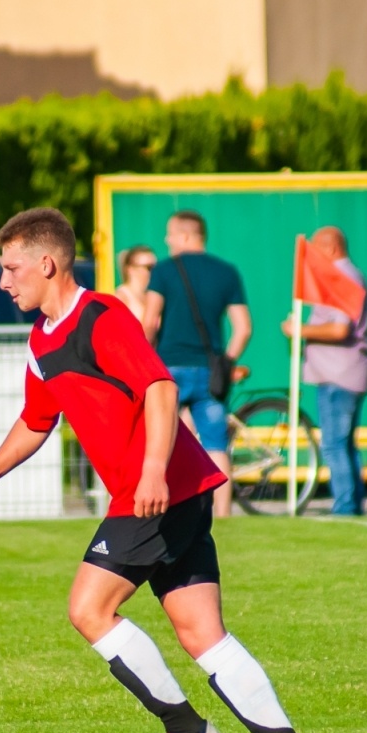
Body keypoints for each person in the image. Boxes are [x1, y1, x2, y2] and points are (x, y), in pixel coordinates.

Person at [0, 208, 323, 733]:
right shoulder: (41, 339)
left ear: (45, 263)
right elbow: (35, 419)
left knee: (89, 609)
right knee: (202, 632)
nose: (4, 281)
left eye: (11, 267)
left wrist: (152, 472)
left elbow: (160, 386)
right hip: (171, 491)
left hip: (156, 493)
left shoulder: (102, 316)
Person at [142, 211, 251, 518]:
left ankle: (173, 511)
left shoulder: (163, 271)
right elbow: (243, 328)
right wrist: (226, 362)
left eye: (171, 234)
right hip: (209, 372)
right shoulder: (227, 272)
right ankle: (225, 514)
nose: (167, 240)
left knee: (165, 438)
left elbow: (150, 321)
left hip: (169, 370)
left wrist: (145, 355)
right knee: (216, 443)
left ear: (186, 236)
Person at [281, 226, 367, 516]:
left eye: (316, 252)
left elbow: (338, 327)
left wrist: (300, 330)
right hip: (346, 373)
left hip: (338, 375)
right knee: (345, 445)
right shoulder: (348, 275)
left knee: (334, 445)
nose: (311, 260)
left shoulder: (342, 278)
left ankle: (344, 507)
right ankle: (353, 503)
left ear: (331, 249)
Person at [115, 245, 157, 321]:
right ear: (131, 269)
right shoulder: (121, 297)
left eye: (156, 267)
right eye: (149, 267)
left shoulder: (151, 295)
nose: (154, 272)